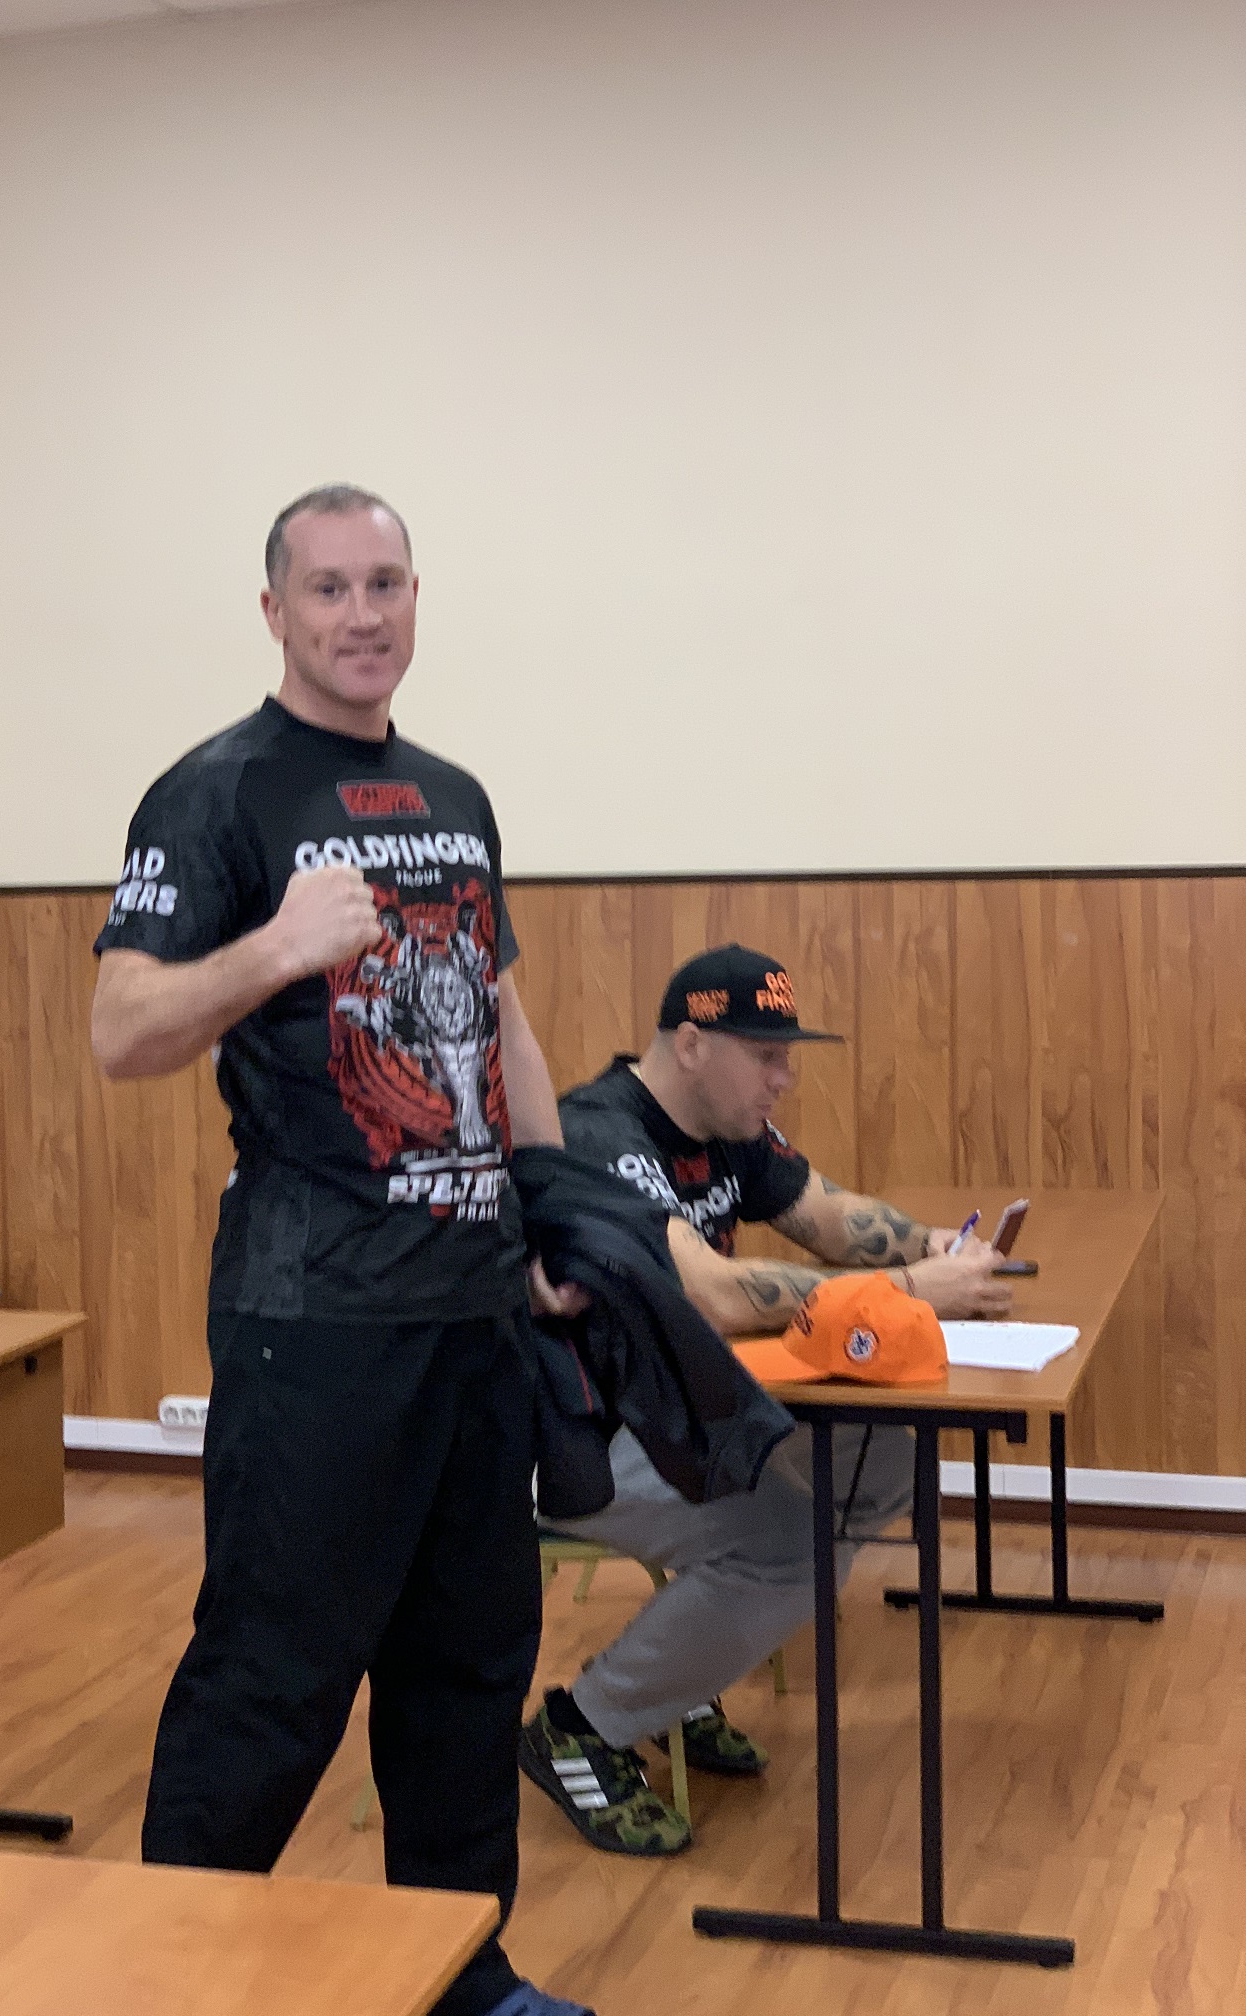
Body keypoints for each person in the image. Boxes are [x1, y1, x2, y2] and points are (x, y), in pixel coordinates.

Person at [91, 485, 592, 2016]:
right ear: (275, 612)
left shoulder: (456, 795)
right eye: (328, 589)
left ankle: (463, 1976)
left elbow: (499, 1018)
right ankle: (169, 1985)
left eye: (386, 584)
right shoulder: (216, 794)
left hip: (472, 1316)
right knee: (272, 1678)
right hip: (313, 1324)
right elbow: (122, 1030)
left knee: (466, 1673)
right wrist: (278, 948)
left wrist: (556, 1213)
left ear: (416, 598)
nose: (362, 615)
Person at [519, 942, 1012, 1857]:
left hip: (675, 1415)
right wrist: (911, 1290)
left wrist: (939, 1247)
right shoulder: (601, 1137)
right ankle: (583, 1726)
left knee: (886, 1457)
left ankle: (682, 1665)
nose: (784, 1078)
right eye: (767, 1056)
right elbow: (711, 1294)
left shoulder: (730, 1129)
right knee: (794, 1547)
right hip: (570, 1438)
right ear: (692, 1045)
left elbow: (827, 1216)